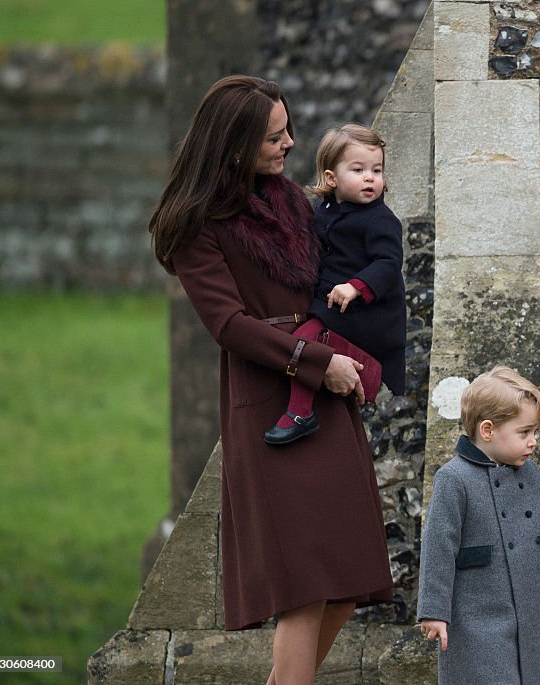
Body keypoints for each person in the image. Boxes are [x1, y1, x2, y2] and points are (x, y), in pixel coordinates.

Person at [148, 75, 392, 685]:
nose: (290, 145)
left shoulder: (291, 200)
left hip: (328, 391)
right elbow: (228, 325)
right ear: (233, 147)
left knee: (345, 585)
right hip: (270, 405)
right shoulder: (195, 223)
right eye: (275, 137)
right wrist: (318, 364)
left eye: (288, 131)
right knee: (303, 589)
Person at [417, 366, 540, 684]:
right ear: (488, 430)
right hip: (478, 625)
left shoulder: (528, 473)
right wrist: (434, 611)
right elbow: (439, 546)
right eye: (525, 432)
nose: (533, 442)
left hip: (532, 621)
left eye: (535, 433)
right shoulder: (454, 478)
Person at [263, 123, 406, 445]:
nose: (370, 177)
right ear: (331, 178)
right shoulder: (323, 211)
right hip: (331, 302)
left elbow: (388, 262)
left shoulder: (381, 220)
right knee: (308, 340)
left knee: (305, 343)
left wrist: (356, 286)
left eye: (377, 170)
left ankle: (301, 413)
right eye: (358, 169)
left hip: (365, 309)